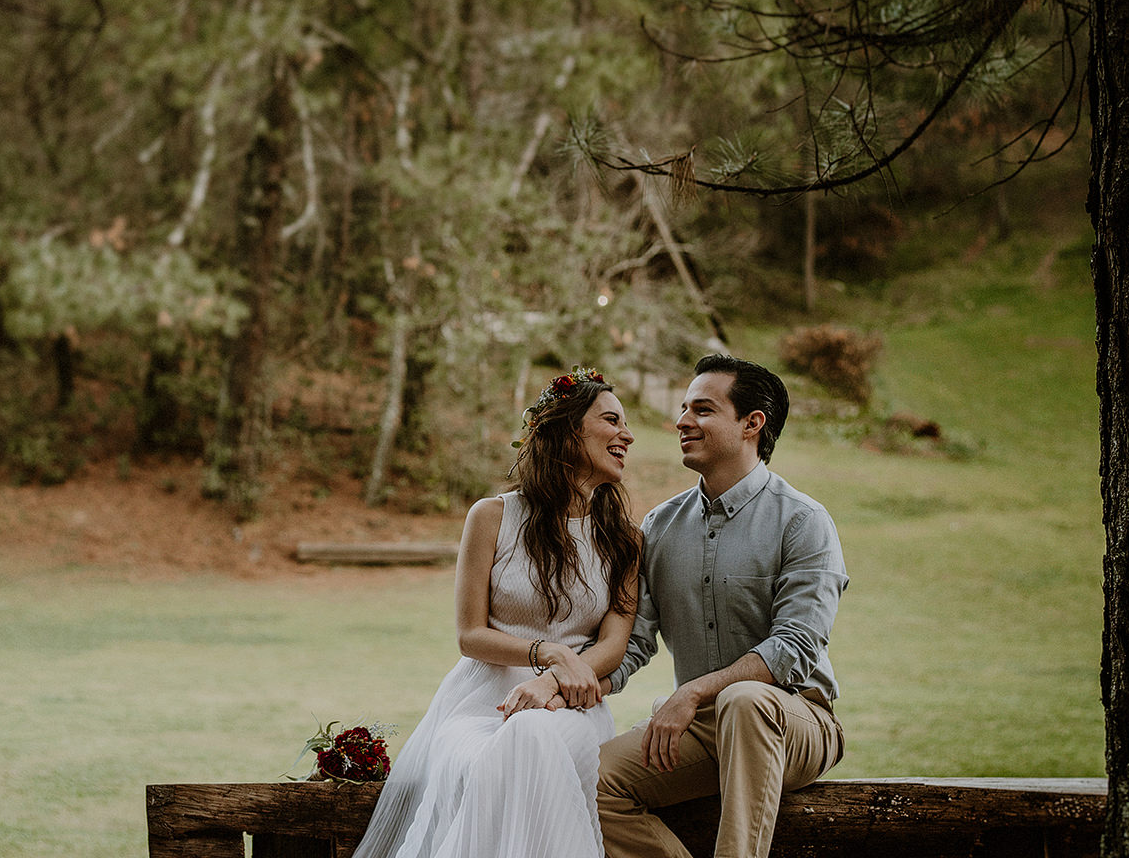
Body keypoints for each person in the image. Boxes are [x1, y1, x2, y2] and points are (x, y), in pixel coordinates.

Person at [352, 367, 644, 858]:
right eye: (612, 421)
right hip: (480, 703)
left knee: (532, 734)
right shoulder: (491, 516)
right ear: (569, 431)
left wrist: (558, 680)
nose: (627, 435)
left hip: (570, 706)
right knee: (493, 752)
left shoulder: (624, 540)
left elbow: (615, 644)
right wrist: (547, 651)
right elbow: (470, 635)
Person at [597, 354, 847, 858]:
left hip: (793, 721)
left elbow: (794, 647)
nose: (682, 422)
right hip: (699, 731)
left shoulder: (803, 521)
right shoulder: (659, 526)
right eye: (684, 409)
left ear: (752, 424)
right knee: (588, 779)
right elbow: (634, 641)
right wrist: (566, 686)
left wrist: (692, 692)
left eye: (703, 410)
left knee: (745, 698)